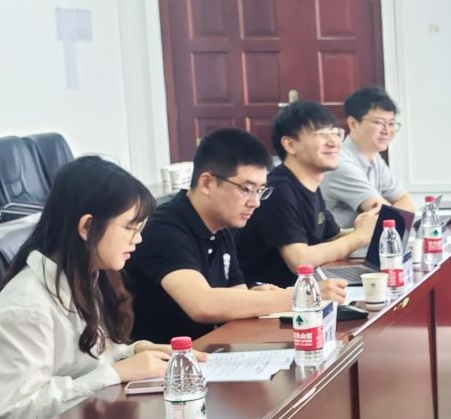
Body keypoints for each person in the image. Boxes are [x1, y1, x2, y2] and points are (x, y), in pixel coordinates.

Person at [0, 156, 187, 419]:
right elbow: (19, 416)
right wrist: (116, 372)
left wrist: (134, 352)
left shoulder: (85, 277)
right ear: (87, 227)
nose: (138, 239)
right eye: (130, 227)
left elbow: (84, 362)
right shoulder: (25, 308)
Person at [125, 127, 347, 343]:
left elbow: (235, 290)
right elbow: (203, 305)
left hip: (215, 347)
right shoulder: (164, 229)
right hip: (171, 360)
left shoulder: (222, 227)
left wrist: (257, 296)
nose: (256, 202)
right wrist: (305, 295)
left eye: (260, 190)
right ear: (206, 183)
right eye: (246, 189)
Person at [237, 100, 381, 286]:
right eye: (322, 134)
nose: (334, 142)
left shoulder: (310, 186)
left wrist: (370, 229)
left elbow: (333, 236)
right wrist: (359, 236)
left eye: (335, 133)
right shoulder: (277, 190)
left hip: (302, 292)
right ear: (290, 144)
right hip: (265, 298)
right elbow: (299, 261)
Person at [323, 85, 418, 230]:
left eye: (391, 123)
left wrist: (395, 216)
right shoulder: (340, 163)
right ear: (353, 123)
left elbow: (405, 201)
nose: (387, 131)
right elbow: (387, 217)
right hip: (344, 243)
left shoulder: (373, 156)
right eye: (379, 123)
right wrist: (396, 216)